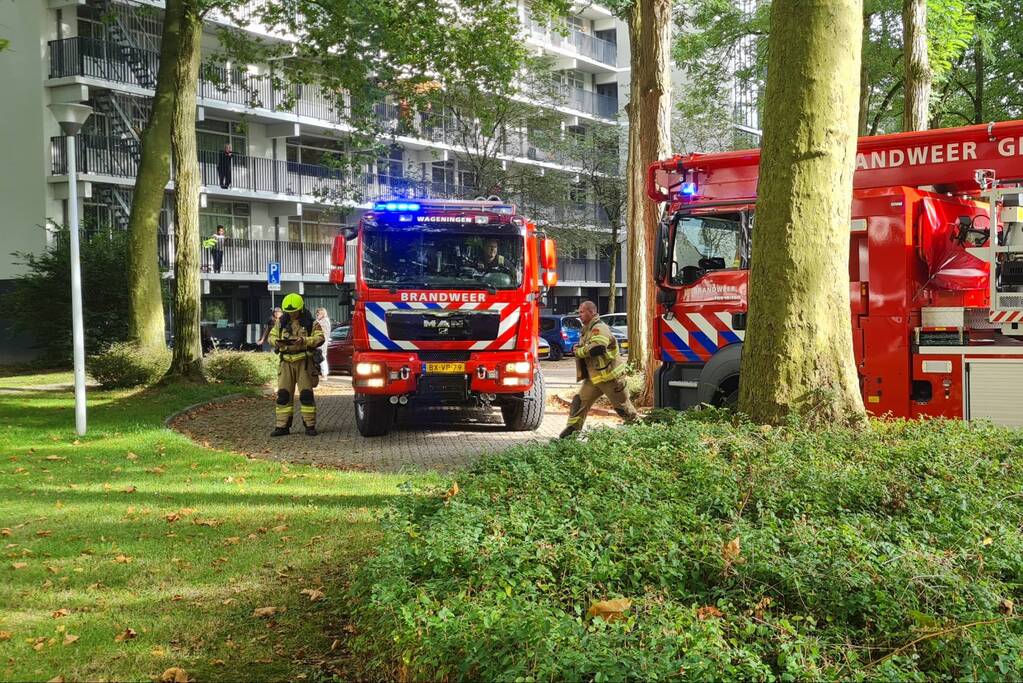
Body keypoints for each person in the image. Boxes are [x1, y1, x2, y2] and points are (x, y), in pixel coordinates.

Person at [559, 300, 638, 438]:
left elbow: (598, 347)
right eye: (579, 312)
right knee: (578, 403)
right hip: (594, 378)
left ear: (592, 312)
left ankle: (640, 431)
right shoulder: (587, 330)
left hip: (611, 380)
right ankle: (571, 433)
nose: (580, 315)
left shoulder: (599, 328)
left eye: (582, 312)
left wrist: (579, 351)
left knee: (624, 410)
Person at [269, 294, 325, 437]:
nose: (291, 314)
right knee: (283, 395)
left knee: (306, 395)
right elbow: (271, 336)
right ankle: (282, 427)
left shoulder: (311, 324)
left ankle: (310, 426)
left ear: (301, 309)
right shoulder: (280, 323)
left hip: (304, 363)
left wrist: (304, 340)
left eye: (294, 311)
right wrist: (276, 342)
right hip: (286, 362)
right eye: (289, 312)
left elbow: (320, 338)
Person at [314, 307, 331, 377]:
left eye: (318, 314)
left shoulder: (324, 321)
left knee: (321, 357)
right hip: (321, 341)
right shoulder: (323, 321)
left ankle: (324, 374)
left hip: (322, 342)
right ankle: (323, 373)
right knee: (321, 356)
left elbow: (316, 326)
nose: (317, 315)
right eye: (317, 314)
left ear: (323, 314)